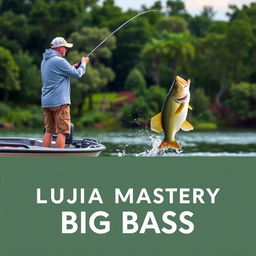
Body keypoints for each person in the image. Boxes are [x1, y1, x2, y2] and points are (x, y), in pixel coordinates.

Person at [41, 36, 89, 148]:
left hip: (47, 102)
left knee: (49, 130)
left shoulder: (45, 60)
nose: (66, 50)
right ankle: (59, 158)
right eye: (65, 48)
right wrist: (84, 63)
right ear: (59, 48)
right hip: (60, 102)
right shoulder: (59, 61)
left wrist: (70, 68)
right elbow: (77, 74)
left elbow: (57, 75)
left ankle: (43, 157)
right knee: (63, 131)